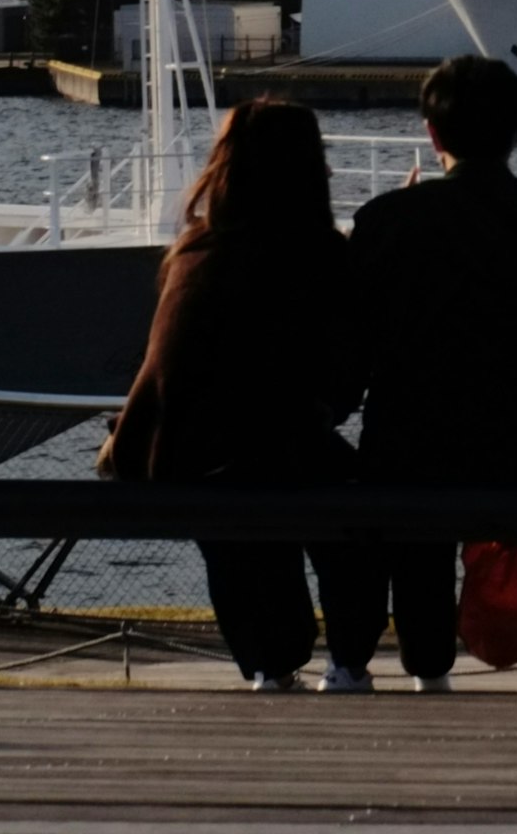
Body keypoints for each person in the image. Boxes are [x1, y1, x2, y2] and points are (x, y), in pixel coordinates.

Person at [347, 53, 517, 693]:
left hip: (414, 447)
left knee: (404, 488)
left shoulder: (385, 223)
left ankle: (428, 670)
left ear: (433, 134)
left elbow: (354, 354)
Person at [99, 99, 380, 689]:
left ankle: (271, 665)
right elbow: (341, 369)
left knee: (245, 539)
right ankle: (348, 662)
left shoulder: (195, 251)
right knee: (353, 513)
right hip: (260, 445)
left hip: (171, 455)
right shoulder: (315, 252)